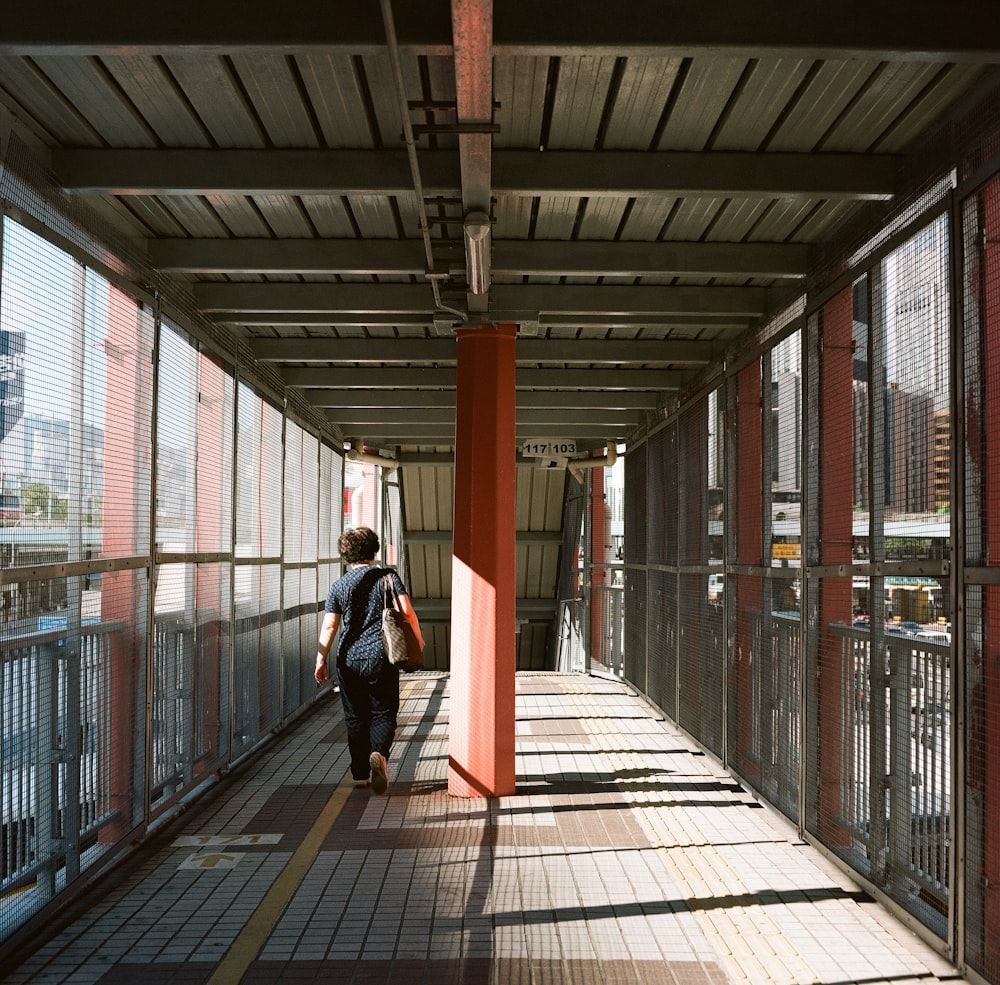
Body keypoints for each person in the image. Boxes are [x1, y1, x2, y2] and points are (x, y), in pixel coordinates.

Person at [314, 526, 424, 794]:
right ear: (374, 550)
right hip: (381, 656)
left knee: (355, 717)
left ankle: (361, 775)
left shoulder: (339, 585)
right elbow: (407, 612)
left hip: (348, 658)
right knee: (383, 712)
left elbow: (330, 626)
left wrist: (320, 659)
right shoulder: (388, 577)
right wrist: (418, 641)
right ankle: (379, 755)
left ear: (345, 555)